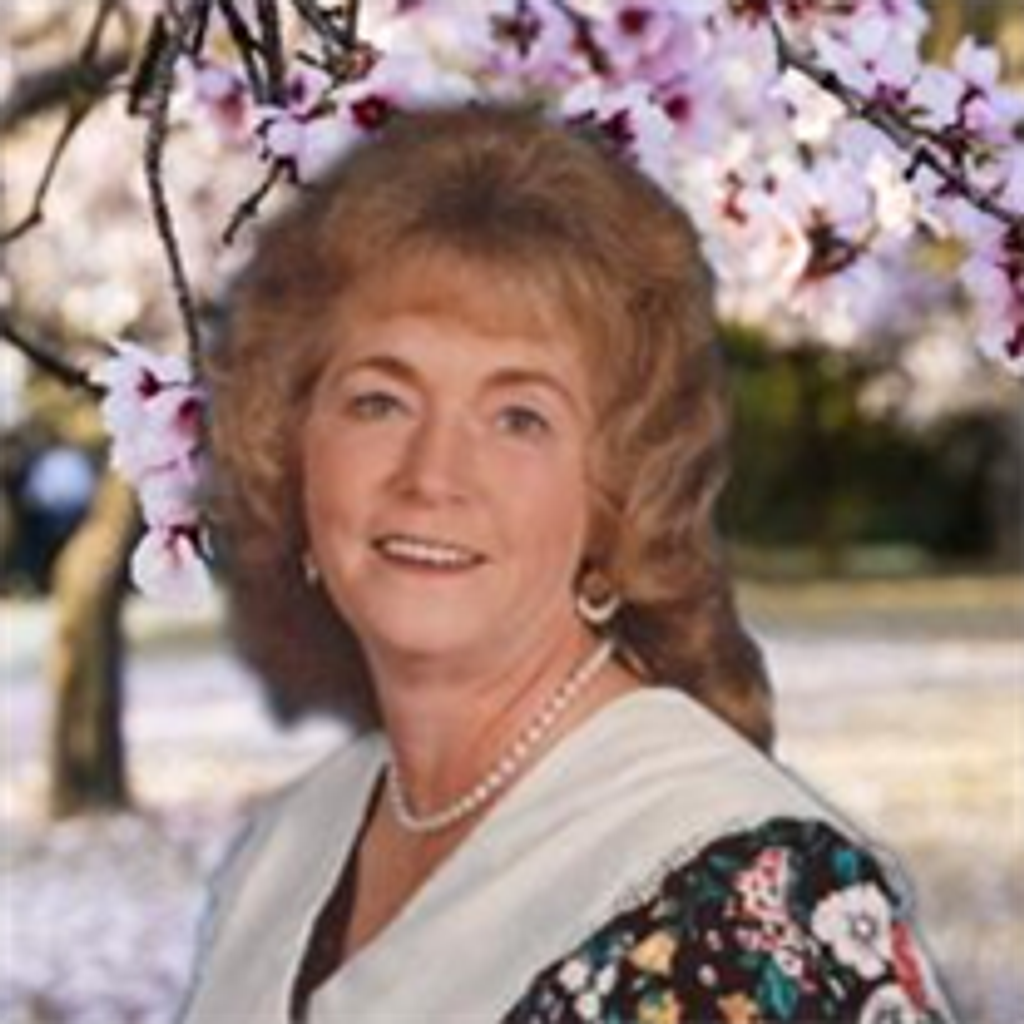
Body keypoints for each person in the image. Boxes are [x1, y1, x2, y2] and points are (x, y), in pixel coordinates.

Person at [182, 105, 955, 1022]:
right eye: (380, 401)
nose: (433, 476)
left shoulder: (748, 908)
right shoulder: (289, 852)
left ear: (615, 491)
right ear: (293, 443)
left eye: (520, 418)